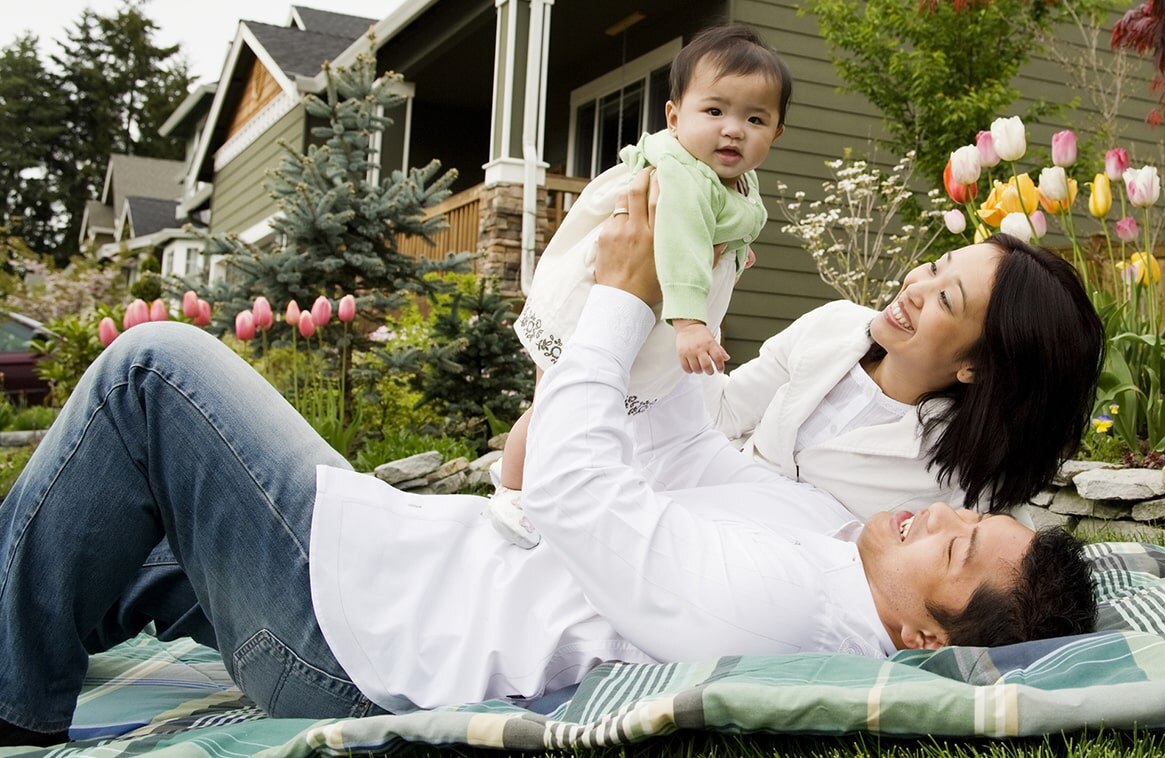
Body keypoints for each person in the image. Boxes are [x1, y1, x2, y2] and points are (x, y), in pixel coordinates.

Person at [0, 169, 1096, 748]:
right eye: (965, 520)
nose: (936, 521)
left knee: (155, 368)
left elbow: (583, 496)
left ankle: (16, 700)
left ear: (917, 636)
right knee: (136, 541)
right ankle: (44, 606)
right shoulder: (827, 539)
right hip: (412, 569)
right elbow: (684, 446)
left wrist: (618, 306)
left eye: (954, 547)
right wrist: (675, 290)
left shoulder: (792, 610)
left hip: (355, 636)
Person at [502, 24, 790, 491]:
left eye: (755, 120)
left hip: (635, 304)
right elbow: (678, 245)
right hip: (595, 306)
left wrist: (734, 256)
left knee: (585, 415)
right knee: (552, 411)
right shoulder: (681, 179)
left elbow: (721, 227)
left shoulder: (730, 179)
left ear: (776, 132)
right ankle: (515, 493)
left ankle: (548, 492)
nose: (733, 129)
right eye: (714, 110)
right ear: (674, 118)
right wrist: (692, 324)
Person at [702, 234, 1105, 521]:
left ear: (977, 366)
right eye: (933, 267)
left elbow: (1008, 568)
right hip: (703, 510)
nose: (916, 289)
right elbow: (721, 414)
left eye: (946, 299)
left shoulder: (963, 479)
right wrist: (701, 294)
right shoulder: (833, 325)